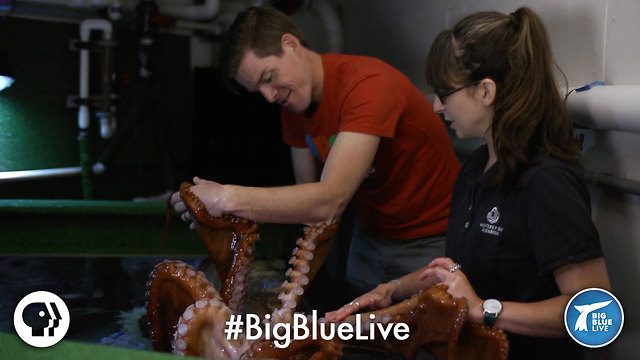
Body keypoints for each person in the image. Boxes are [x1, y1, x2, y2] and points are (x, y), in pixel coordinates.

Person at [326, 7, 611, 360]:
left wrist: (484, 310)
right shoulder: (477, 167)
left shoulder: (547, 182)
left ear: (485, 91)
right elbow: (459, 272)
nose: (436, 107)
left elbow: (601, 316)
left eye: (444, 94)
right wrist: (392, 290)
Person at [170, 5, 460, 294]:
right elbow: (308, 203)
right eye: (258, 90)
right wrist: (218, 215)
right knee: (360, 335)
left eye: (269, 77)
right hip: (370, 238)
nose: (269, 97)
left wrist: (224, 197)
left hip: (431, 241)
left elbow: (329, 200)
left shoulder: (368, 84)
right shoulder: (294, 108)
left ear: (291, 45)